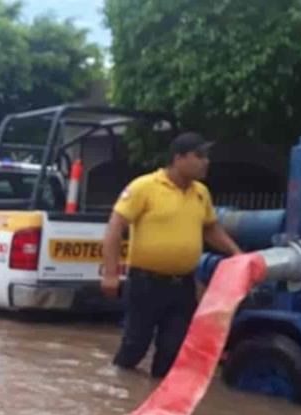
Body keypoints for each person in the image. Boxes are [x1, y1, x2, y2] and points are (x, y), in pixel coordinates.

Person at [102, 132, 242, 378]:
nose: (205, 162)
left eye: (206, 157)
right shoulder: (144, 187)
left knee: (172, 349)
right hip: (146, 283)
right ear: (178, 158)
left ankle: (157, 403)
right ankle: (119, 390)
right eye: (199, 156)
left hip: (183, 285)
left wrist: (237, 253)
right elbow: (115, 227)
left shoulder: (201, 193)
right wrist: (111, 273)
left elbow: (210, 229)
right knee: (135, 345)